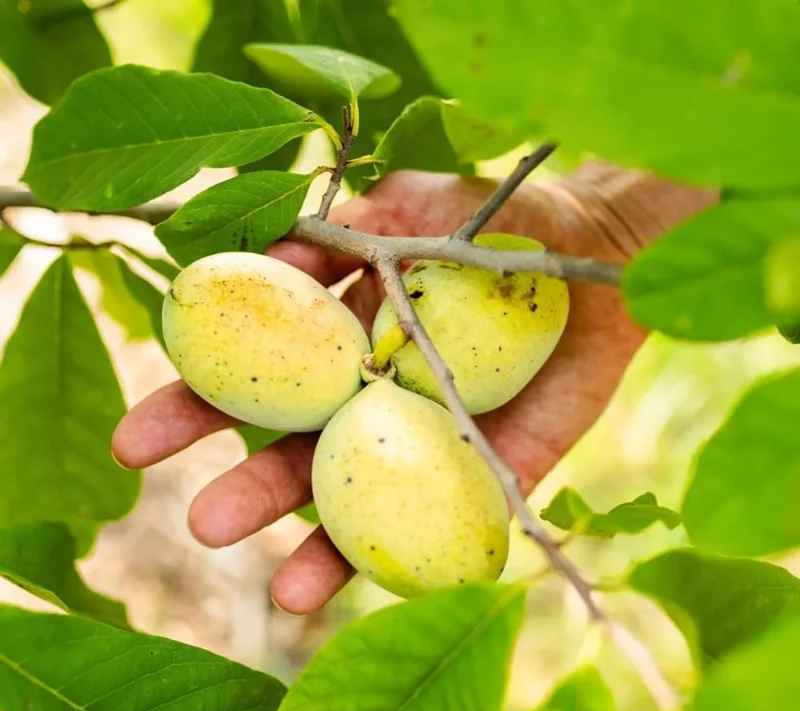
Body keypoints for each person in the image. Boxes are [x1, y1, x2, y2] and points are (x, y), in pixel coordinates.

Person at [112, 162, 715, 614]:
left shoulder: (377, 383)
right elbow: (208, 302)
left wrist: (613, 222)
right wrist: (604, 219)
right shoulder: (372, 382)